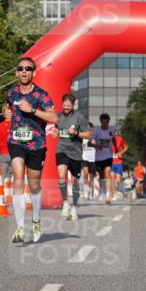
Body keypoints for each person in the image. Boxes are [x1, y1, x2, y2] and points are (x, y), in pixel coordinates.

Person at [3, 56, 57, 244]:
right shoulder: (11, 93)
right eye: (20, 68)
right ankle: (19, 227)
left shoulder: (41, 95)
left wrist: (32, 110)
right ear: (16, 73)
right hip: (16, 141)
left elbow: (54, 118)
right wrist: (5, 111)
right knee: (18, 178)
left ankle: (36, 220)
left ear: (33, 73)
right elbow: (7, 105)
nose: (24, 71)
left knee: (34, 185)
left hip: (36, 144)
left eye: (27, 68)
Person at [55, 93, 92, 221]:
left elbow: (89, 135)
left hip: (76, 153)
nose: (66, 107)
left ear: (73, 105)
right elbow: (57, 129)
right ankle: (65, 202)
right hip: (62, 150)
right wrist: (56, 132)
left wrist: (76, 132)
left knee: (75, 181)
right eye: (64, 105)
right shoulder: (59, 116)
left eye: (68, 105)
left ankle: (74, 207)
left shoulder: (79, 117)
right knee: (61, 175)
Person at [91, 114, 116, 204]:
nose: (105, 124)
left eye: (106, 122)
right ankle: (102, 191)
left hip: (108, 156)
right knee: (101, 176)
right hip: (98, 157)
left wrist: (116, 148)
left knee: (107, 174)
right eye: (103, 122)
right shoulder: (96, 130)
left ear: (109, 121)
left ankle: (108, 194)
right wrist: (97, 146)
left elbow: (113, 139)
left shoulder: (112, 129)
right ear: (100, 121)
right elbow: (90, 143)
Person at [110, 130, 128, 201]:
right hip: (111, 162)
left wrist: (121, 152)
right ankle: (114, 194)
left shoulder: (120, 139)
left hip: (119, 162)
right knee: (112, 178)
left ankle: (118, 192)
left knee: (118, 179)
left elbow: (126, 147)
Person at [0, 107, 12, 180]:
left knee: (3, 176)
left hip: (3, 152)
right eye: (7, 112)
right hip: (12, 152)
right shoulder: (16, 125)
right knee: (13, 177)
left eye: (9, 112)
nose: (8, 114)